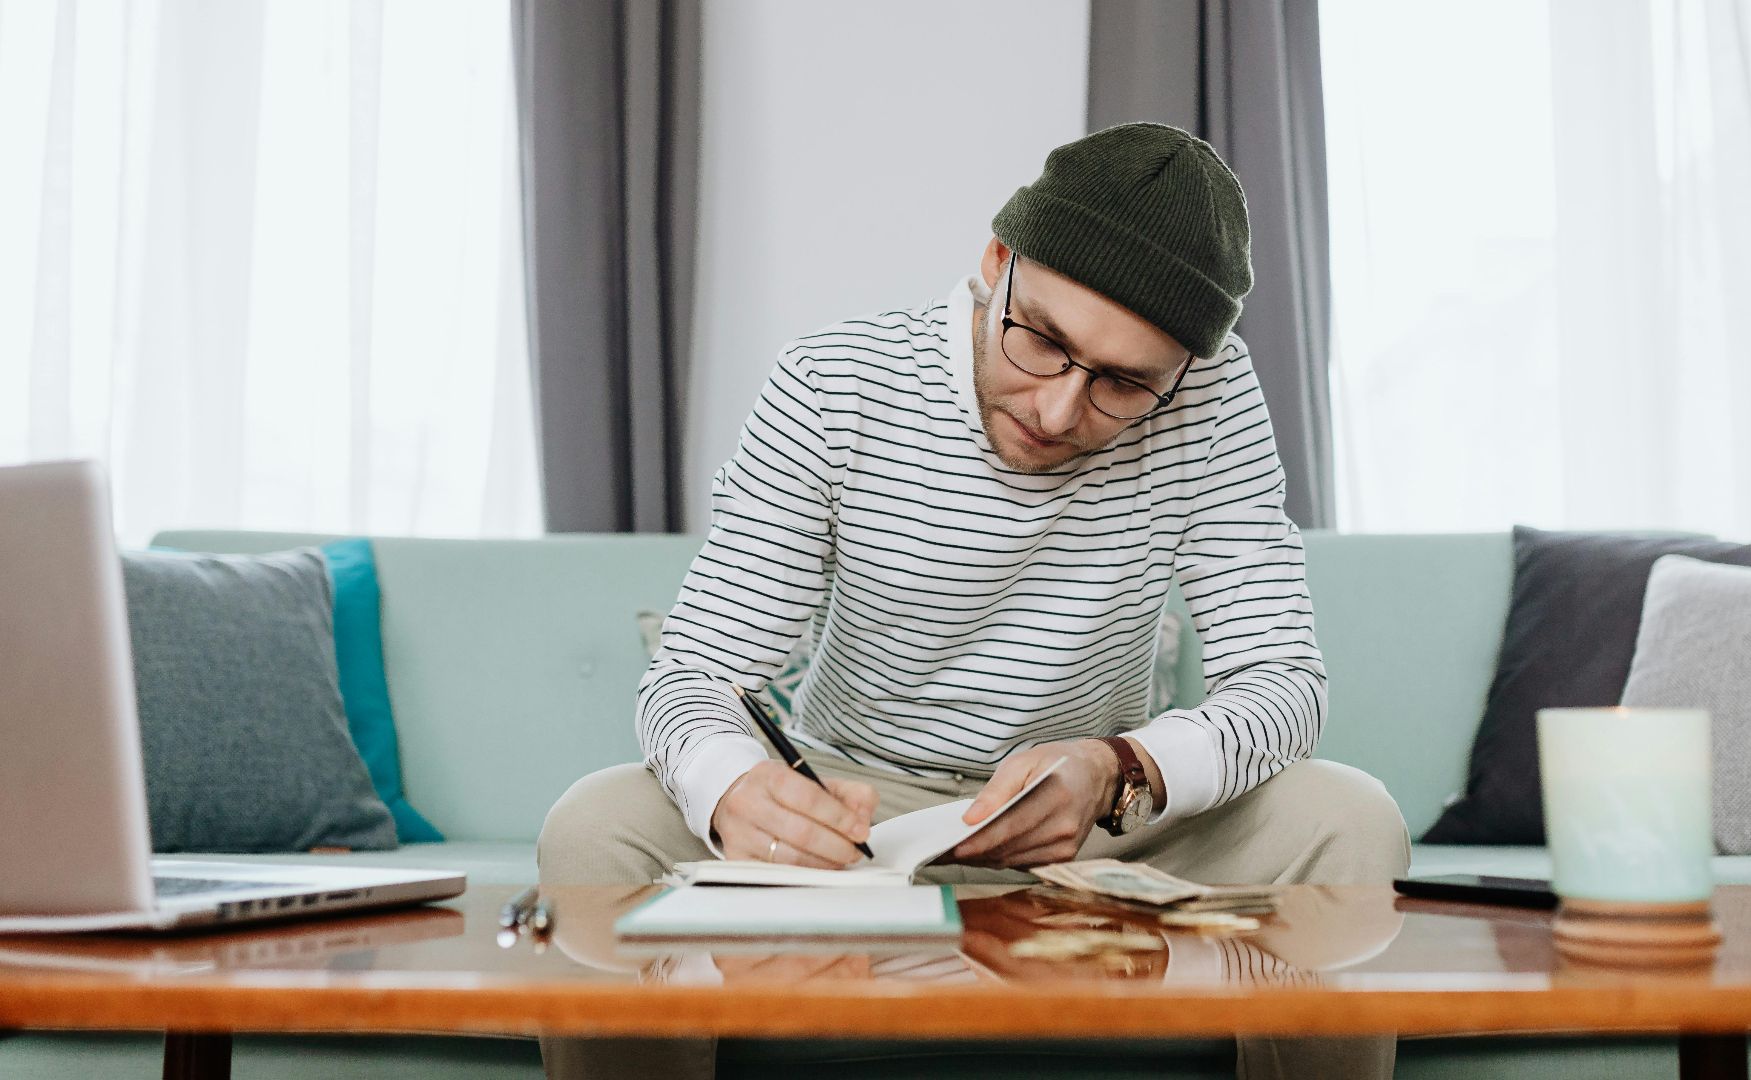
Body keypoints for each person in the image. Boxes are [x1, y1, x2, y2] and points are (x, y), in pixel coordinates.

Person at [539, 122, 1410, 1079]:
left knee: (1352, 821)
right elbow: (693, 675)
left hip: (1095, 821)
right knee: (592, 827)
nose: (1058, 411)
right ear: (996, 262)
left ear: (1182, 373)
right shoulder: (832, 384)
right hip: (854, 815)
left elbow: (1284, 682)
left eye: (1124, 384)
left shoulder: (1214, 403)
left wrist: (1117, 769)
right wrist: (739, 790)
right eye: (1042, 340)